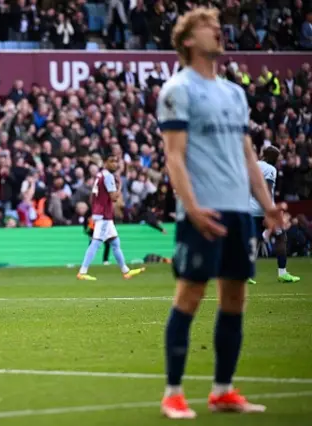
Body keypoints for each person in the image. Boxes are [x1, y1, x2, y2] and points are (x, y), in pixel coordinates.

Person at [157, 8, 287, 419]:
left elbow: (247, 153)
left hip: (237, 212)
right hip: (202, 210)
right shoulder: (178, 89)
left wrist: (267, 206)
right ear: (189, 40)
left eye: (217, 24)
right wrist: (191, 207)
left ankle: (222, 390)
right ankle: (173, 393)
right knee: (190, 296)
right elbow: (173, 158)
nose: (218, 29)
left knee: (235, 297)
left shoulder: (235, 93)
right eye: (207, 26)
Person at [76, 154, 146, 281]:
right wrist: (120, 186)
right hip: (104, 215)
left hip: (102, 214)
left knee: (115, 243)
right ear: (105, 162)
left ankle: (125, 271)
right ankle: (82, 271)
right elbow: (114, 198)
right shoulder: (108, 177)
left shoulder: (99, 175)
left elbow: (92, 196)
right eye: (112, 161)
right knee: (96, 243)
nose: (115, 164)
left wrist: (95, 209)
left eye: (116, 161)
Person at [248, 145, 300, 284]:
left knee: (254, 240)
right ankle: (282, 273)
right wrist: (268, 211)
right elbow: (267, 189)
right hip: (263, 209)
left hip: (249, 208)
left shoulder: (253, 165)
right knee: (281, 236)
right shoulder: (270, 169)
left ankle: (245, 274)